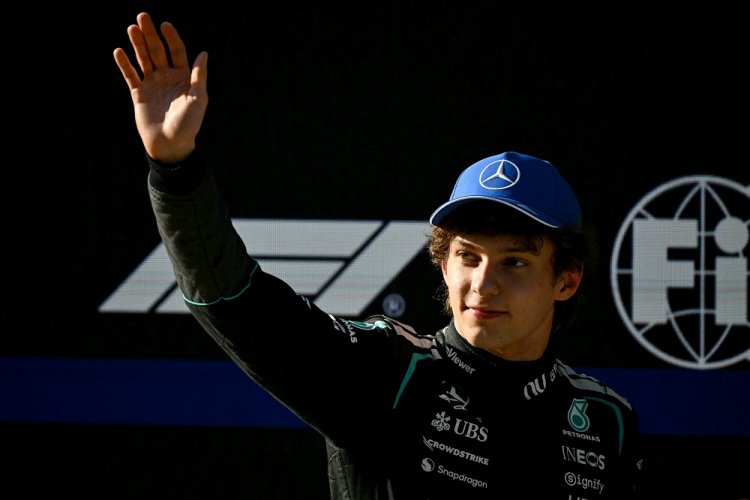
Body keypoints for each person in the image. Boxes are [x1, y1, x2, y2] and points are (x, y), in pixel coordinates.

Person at [115, 12, 642, 499]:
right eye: (468, 257)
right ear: (443, 264)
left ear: (567, 279)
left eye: (515, 262)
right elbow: (232, 299)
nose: (483, 284)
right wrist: (175, 169)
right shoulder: (386, 370)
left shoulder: (606, 422)